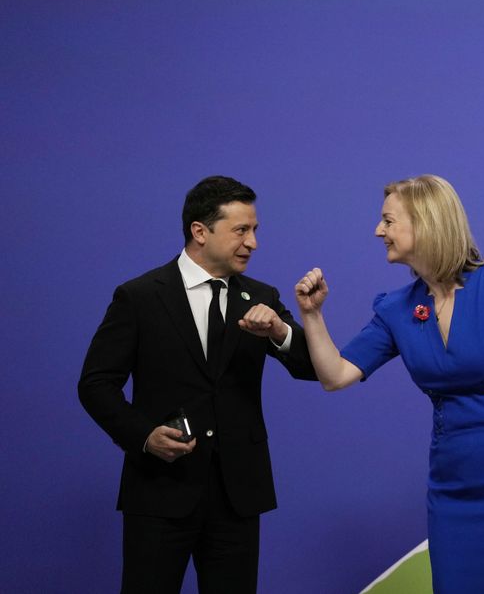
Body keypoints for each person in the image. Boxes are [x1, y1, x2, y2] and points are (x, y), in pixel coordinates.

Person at [296, 174, 484, 593]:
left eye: (387, 220)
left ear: (425, 222)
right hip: (453, 486)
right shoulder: (396, 308)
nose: (377, 231)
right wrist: (312, 315)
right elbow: (336, 375)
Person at [78, 175, 317, 593]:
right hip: (159, 492)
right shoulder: (139, 297)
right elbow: (96, 384)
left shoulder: (262, 297)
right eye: (241, 230)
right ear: (200, 231)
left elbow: (312, 367)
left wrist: (281, 331)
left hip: (238, 496)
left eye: (255, 230)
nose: (253, 242)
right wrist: (144, 436)